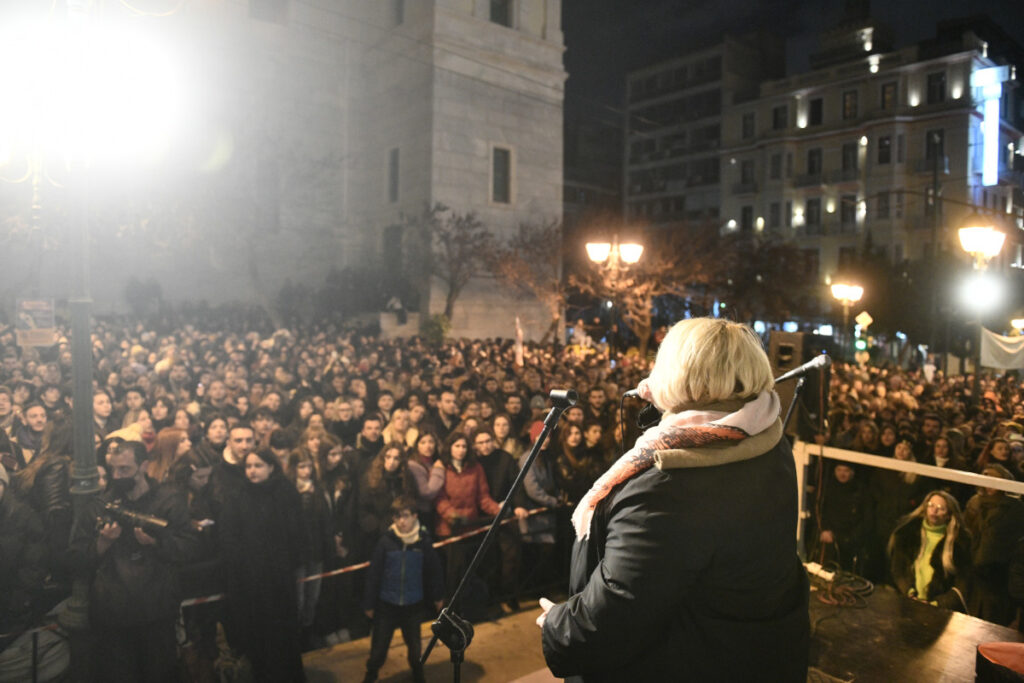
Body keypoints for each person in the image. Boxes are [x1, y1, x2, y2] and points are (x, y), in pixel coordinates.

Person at [539, 317, 808, 682]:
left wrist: (557, 625)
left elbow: (613, 620)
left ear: (676, 373)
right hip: (755, 653)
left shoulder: (665, 487)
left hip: (689, 662)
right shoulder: (768, 441)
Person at [67, 440, 198, 682]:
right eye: (114, 469)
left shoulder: (169, 500)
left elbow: (188, 547)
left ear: (143, 466)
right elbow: (75, 558)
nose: (117, 476)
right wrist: (102, 544)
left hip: (156, 609)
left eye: (125, 469)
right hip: (113, 612)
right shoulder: (100, 505)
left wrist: (156, 544)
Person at [219, 449, 309, 682]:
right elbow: (229, 536)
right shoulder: (238, 495)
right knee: (257, 636)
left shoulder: (285, 492)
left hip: (279, 578)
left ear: (271, 467)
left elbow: (296, 532)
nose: (252, 471)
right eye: (248, 466)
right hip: (250, 580)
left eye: (258, 465)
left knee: (282, 635)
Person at [361, 497, 444, 683]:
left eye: (406, 516)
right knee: (378, 650)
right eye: (397, 517)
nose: (401, 521)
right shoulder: (386, 542)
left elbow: (434, 570)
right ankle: (370, 675)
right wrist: (369, 603)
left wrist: (438, 595)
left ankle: (418, 674)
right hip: (386, 605)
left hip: (412, 606)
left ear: (415, 516)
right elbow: (374, 574)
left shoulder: (422, 543)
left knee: (415, 650)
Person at [887, 490, 972, 612]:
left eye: (940, 508)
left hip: (939, 610)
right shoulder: (908, 533)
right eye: (931, 505)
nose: (934, 511)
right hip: (909, 603)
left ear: (949, 514)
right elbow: (899, 569)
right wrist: (909, 592)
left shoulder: (958, 543)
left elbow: (962, 583)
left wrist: (937, 604)